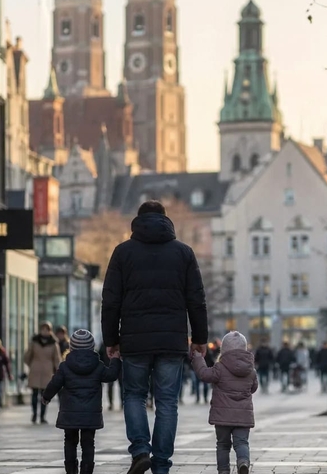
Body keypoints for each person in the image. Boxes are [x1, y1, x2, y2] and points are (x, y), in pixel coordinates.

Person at [101, 200, 209, 474]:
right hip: (172, 341)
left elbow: (110, 301)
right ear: (166, 220)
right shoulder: (183, 252)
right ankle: (161, 464)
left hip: (135, 340)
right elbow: (196, 300)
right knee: (167, 402)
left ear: (137, 221)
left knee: (134, 395)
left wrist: (111, 340)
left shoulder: (122, 253)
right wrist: (199, 338)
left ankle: (140, 451)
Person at [43, 330, 121, 474]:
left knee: (70, 442)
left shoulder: (65, 366)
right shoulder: (98, 366)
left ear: (71, 348)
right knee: (88, 443)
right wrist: (115, 359)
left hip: (70, 414)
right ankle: (86, 471)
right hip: (90, 414)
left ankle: (71, 471)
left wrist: (46, 397)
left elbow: (55, 383)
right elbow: (111, 375)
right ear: (92, 347)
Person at [190, 331, 257, 474]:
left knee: (222, 445)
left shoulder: (219, 368)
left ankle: (223, 471)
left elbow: (204, 374)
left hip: (222, 417)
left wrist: (197, 358)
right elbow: (253, 387)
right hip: (243, 416)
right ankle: (243, 462)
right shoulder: (251, 370)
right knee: (242, 443)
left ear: (224, 350)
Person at [25, 322, 62, 424]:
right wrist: (32, 364)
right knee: (34, 393)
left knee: (45, 395)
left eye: (47, 329)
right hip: (35, 370)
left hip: (47, 371)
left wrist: (58, 369)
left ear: (50, 331)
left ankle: (42, 416)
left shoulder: (54, 343)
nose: (45, 331)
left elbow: (56, 358)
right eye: (43, 329)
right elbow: (28, 356)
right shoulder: (34, 341)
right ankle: (34, 414)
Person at [99, 342, 117, 410]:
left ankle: (113, 403)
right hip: (108, 367)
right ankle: (111, 403)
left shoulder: (104, 344)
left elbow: (100, 357)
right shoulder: (104, 345)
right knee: (111, 386)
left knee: (113, 386)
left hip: (109, 367)